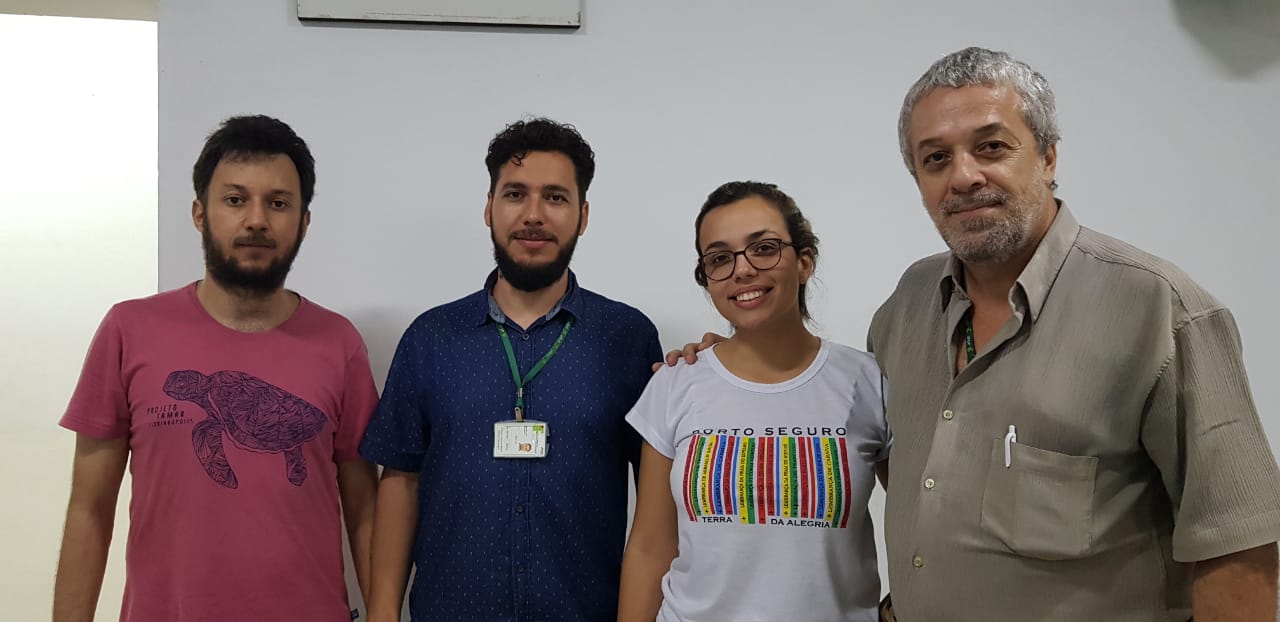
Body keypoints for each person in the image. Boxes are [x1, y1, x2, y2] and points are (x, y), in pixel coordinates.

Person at [53, 114, 379, 622]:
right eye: (235, 199)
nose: (256, 220)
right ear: (200, 213)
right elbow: (89, 511)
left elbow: (365, 509)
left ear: (304, 222)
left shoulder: (339, 344)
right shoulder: (129, 329)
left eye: (278, 203)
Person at [360, 117, 662, 622]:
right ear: (489, 207)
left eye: (556, 198)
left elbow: (658, 501)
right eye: (515, 194)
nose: (534, 215)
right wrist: (383, 612)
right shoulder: (431, 337)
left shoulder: (627, 338)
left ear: (583, 215)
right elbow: (400, 481)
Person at [621, 181, 889, 622]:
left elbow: (920, 524)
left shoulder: (867, 381)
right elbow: (651, 548)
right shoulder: (674, 384)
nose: (742, 270)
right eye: (720, 258)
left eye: (763, 248)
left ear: (804, 262)